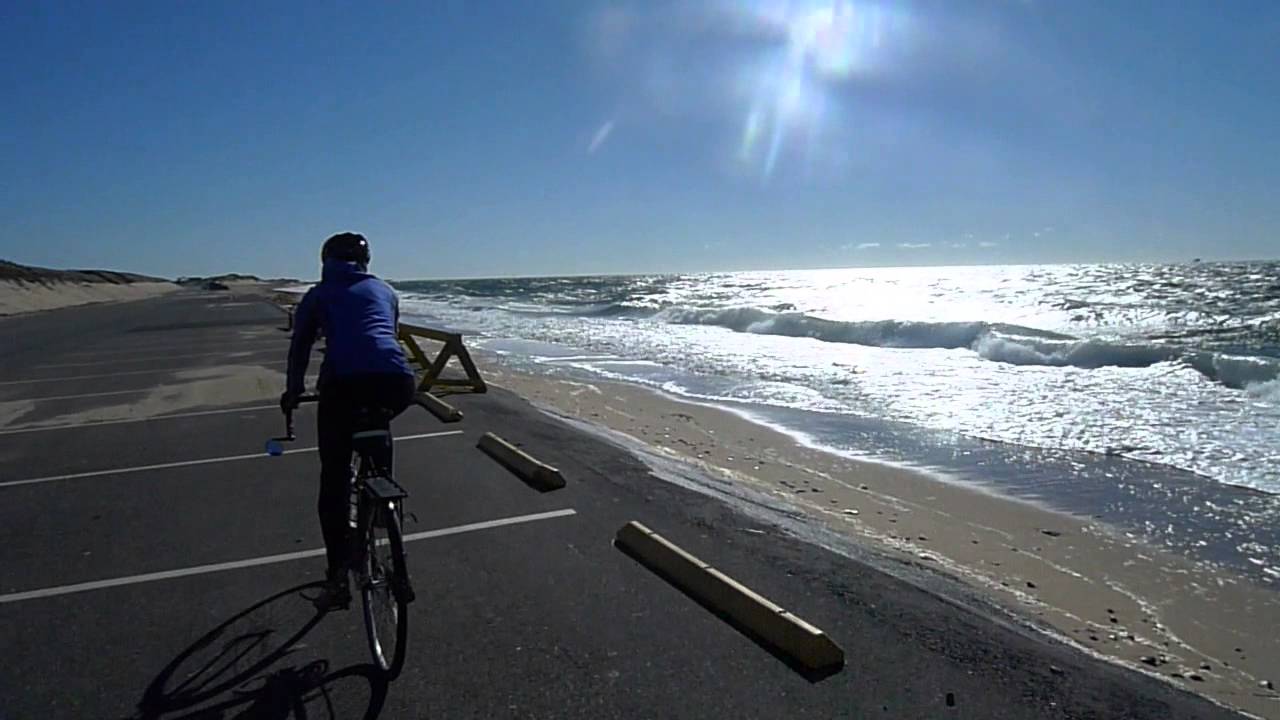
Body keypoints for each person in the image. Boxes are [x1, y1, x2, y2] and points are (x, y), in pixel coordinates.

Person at [281, 232, 416, 611]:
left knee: (335, 478)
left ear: (326, 261)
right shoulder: (386, 290)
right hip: (398, 381)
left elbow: (300, 347)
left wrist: (293, 391)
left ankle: (338, 578)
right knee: (377, 422)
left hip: (343, 384)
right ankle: (384, 504)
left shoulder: (319, 294)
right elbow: (385, 336)